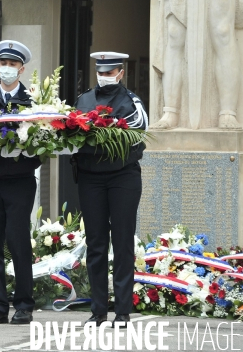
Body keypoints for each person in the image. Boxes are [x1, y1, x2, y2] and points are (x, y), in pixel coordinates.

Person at [73, 51, 148, 328]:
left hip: (122, 177)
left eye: (109, 71)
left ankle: (123, 311)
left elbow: (138, 132)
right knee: (95, 244)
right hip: (91, 178)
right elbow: (70, 133)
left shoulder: (132, 102)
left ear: (120, 73)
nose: (104, 76)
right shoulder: (83, 100)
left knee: (123, 242)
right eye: (100, 71)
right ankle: (98, 310)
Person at [0, 40, 40, 324]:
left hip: (20, 180)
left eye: (12, 65)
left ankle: (24, 303)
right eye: (2, 64)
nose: (6, 69)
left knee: (18, 242)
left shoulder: (34, 103)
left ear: (22, 69)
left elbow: (43, 145)